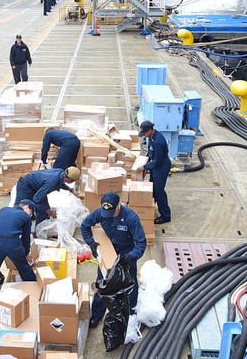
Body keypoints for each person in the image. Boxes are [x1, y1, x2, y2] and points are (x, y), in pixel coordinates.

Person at [81, 192, 147, 328]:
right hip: (108, 252)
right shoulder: (100, 213)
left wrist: (131, 256)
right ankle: (97, 314)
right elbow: (85, 226)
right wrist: (90, 242)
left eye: (112, 211)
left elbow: (141, 243)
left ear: (119, 205)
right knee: (103, 283)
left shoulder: (131, 218)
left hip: (126, 254)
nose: (109, 215)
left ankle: (131, 313)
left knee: (129, 284)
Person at [0, 200, 38, 305]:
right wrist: (25, 253)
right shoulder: (26, 217)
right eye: (31, 213)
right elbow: (25, 239)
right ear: (27, 207)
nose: (30, 216)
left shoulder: (2, 210)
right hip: (14, 244)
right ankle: (35, 293)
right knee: (24, 268)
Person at [13, 166, 80, 225]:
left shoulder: (60, 172)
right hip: (25, 185)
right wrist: (50, 212)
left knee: (44, 212)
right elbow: (37, 199)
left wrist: (71, 190)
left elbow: (60, 183)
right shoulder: (52, 182)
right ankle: (13, 225)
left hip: (35, 186)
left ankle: (39, 231)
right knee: (20, 208)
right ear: (70, 179)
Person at [136, 121, 171, 224]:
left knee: (159, 191)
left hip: (161, 166)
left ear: (150, 130)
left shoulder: (158, 142)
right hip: (156, 165)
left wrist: (145, 167)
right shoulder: (151, 138)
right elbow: (150, 153)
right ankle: (150, 208)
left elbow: (157, 161)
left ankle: (165, 216)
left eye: (145, 133)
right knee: (153, 189)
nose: (144, 136)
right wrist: (144, 160)